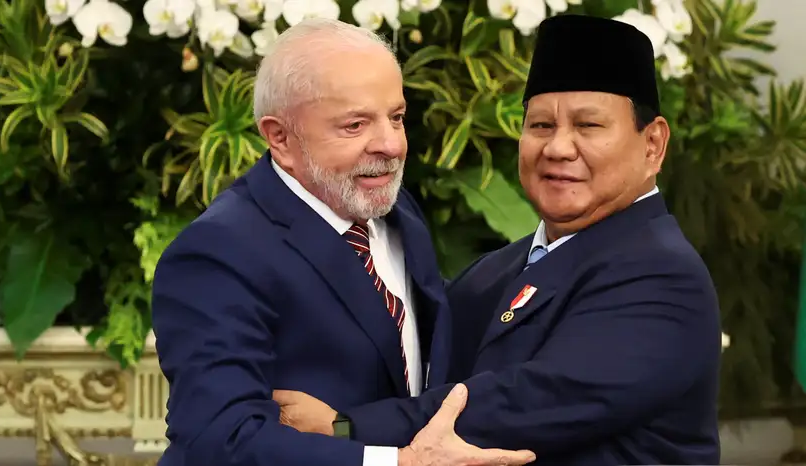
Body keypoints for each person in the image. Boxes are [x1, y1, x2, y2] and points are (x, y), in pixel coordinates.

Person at [273, 14, 722, 466]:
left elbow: (525, 403)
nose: (558, 148)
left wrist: (345, 428)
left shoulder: (662, 275)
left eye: (588, 127)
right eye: (541, 126)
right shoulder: (495, 270)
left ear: (653, 145)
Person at [151, 17, 535, 466]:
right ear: (280, 137)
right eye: (355, 125)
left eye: (396, 117)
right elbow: (220, 438)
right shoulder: (218, 254)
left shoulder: (391, 205)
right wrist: (399, 462)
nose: (391, 145)